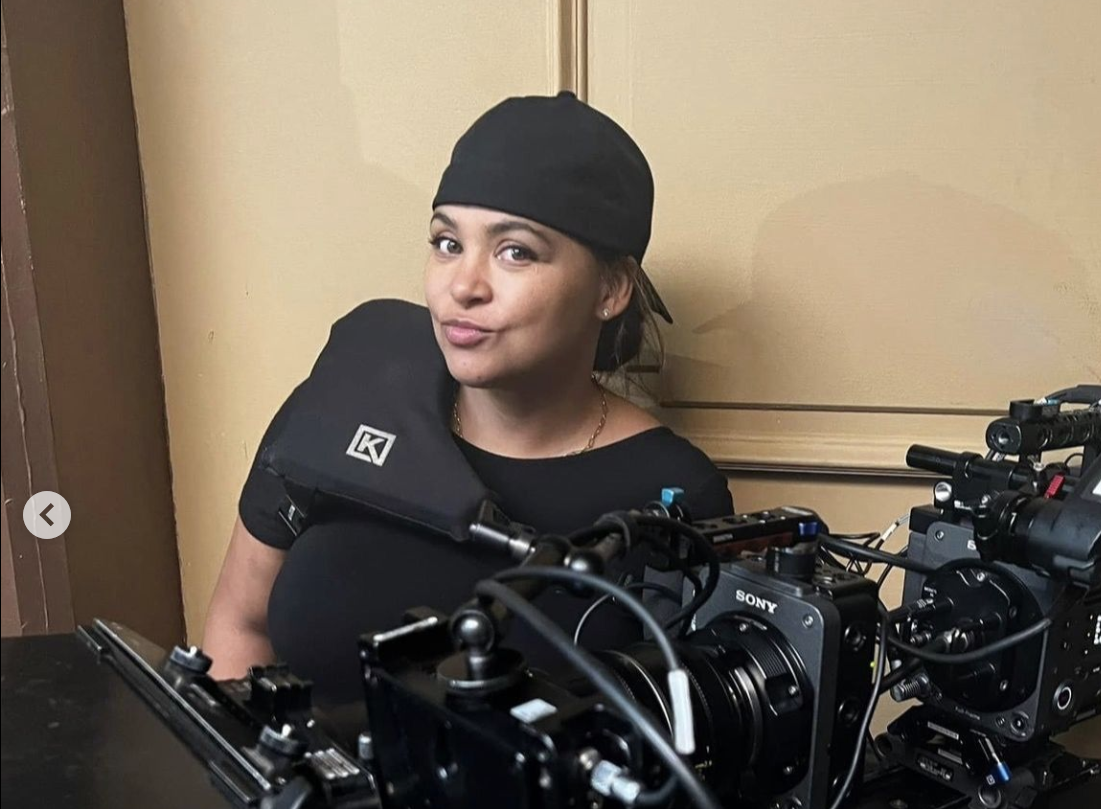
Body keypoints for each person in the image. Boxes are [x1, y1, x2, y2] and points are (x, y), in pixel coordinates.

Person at [202, 91, 734, 703]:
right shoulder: (352, 393)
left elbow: (686, 720)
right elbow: (240, 627)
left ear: (610, 289)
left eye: (515, 252)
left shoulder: (675, 494)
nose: (463, 286)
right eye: (447, 243)